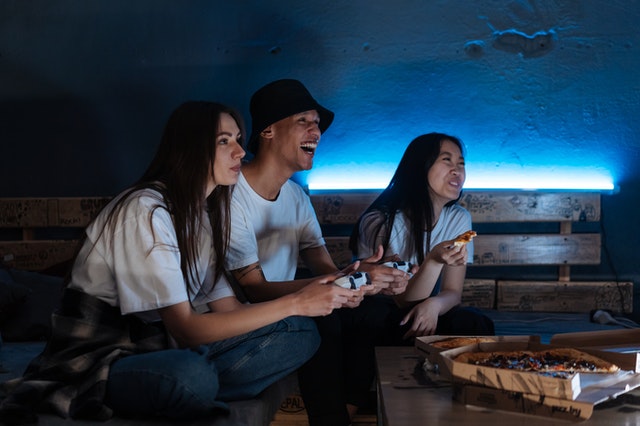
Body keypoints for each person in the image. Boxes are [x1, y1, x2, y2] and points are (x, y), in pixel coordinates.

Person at [0, 101, 352, 424]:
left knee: (303, 332)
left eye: (239, 139)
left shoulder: (203, 216)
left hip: (162, 347)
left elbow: (226, 308)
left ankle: (192, 387)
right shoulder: (145, 210)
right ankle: (191, 385)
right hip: (103, 356)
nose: (241, 151)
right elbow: (186, 327)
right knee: (190, 373)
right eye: (224, 141)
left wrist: (311, 295)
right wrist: (295, 302)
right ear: (192, 148)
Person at [225, 79, 410, 426]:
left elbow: (325, 269)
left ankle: (352, 410)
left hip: (290, 303)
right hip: (249, 315)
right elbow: (254, 289)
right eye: (303, 122)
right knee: (319, 319)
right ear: (267, 130)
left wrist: (362, 277)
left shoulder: (295, 196)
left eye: (317, 124)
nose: (317, 131)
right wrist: (333, 287)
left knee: (376, 310)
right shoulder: (232, 194)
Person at [350, 132, 495, 343]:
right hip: (382, 315)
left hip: (426, 310)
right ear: (420, 167)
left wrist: (433, 306)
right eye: (447, 160)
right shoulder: (381, 221)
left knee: (473, 322)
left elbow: (453, 292)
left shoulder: (458, 218)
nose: (457, 170)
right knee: (374, 315)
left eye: (461, 163)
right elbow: (402, 300)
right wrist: (434, 261)